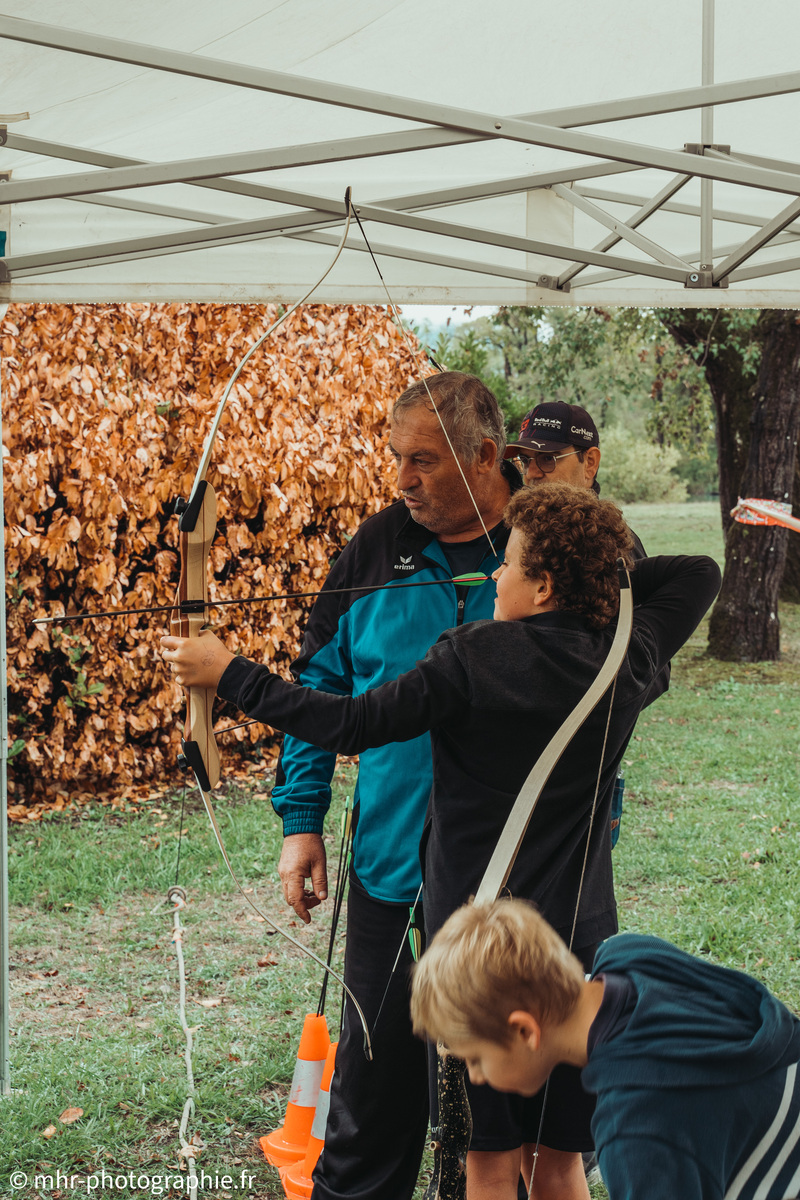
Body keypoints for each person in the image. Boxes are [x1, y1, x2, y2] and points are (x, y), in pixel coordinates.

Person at [162, 482, 721, 1200]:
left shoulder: (473, 658)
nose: (494, 574)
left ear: (543, 582)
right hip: (580, 944)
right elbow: (698, 570)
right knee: (558, 1162)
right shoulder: (629, 652)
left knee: (487, 1162)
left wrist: (229, 674)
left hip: (477, 946)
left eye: (512, 563)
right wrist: (591, 575)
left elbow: (351, 724)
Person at [257, 372, 521, 1200]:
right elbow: (320, 685)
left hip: (511, 879)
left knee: (503, 1102)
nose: (401, 480)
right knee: (371, 1088)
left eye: (423, 461)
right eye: (396, 458)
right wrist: (303, 819)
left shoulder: (546, 544)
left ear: (486, 457)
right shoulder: (376, 546)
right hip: (390, 868)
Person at [410, 898, 800, 1200]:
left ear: (525, 1031)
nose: (476, 1076)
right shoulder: (635, 956)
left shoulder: (635, 1130)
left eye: (476, 1059)